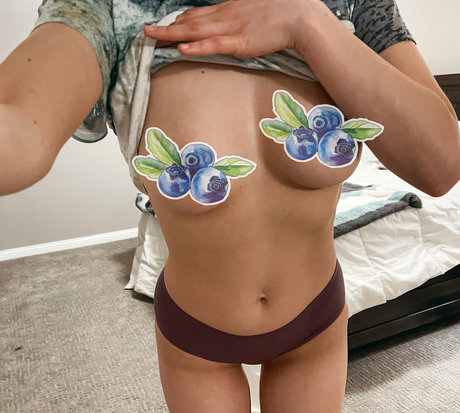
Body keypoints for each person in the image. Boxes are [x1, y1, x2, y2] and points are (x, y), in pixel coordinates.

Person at [1, 0, 459, 412]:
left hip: (315, 323)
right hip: (197, 337)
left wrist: (307, 22)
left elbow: (442, 165)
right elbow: (18, 128)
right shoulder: (113, 9)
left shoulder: (352, 5)